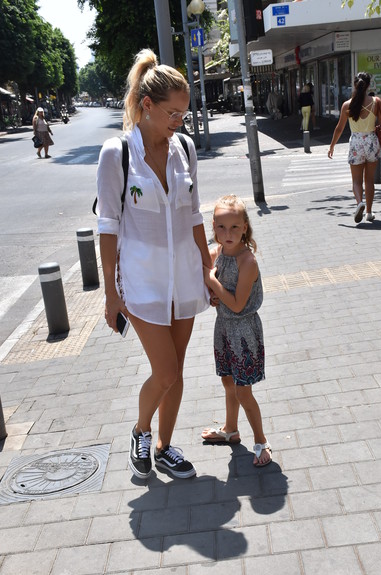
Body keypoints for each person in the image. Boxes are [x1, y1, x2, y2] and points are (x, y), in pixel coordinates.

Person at [96, 48, 212, 480]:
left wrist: (207, 270)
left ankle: (164, 447)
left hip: (184, 278)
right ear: (147, 105)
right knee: (164, 372)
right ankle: (140, 432)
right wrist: (111, 293)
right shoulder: (118, 153)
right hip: (142, 281)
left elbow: (194, 215)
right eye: (172, 113)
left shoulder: (185, 148)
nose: (179, 121)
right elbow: (108, 226)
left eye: (184, 113)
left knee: (176, 372)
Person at [201, 195, 272, 468]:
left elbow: (237, 304)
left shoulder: (247, 261)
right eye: (221, 227)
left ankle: (261, 441)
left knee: (244, 392)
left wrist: (212, 282)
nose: (227, 234)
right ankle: (230, 429)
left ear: (244, 227)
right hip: (224, 329)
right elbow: (205, 278)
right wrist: (211, 294)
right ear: (213, 227)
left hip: (243, 332)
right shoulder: (217, 253)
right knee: (228, 382)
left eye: (233, 227)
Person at [328, 72, 381, 223]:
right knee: (369, 180)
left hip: (356, 143)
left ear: (354, 85)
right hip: (372, 142)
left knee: (356, 181)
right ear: (368, 85)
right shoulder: (376, 102)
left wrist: (332, 146)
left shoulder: (347, 105)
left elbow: (339, 128)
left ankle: (359, 203)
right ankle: (369, 212)